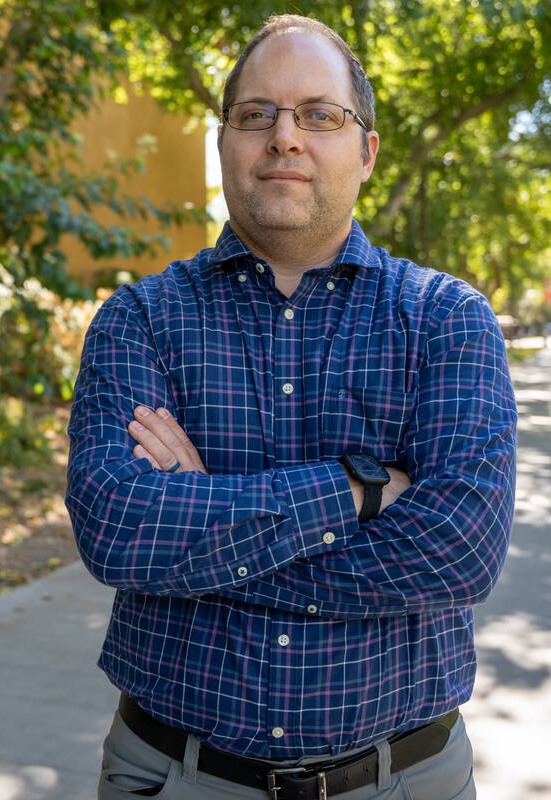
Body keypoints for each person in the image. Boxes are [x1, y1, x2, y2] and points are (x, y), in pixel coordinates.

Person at [66, 14, 516, 800]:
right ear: (224, 143)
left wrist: (203, 538)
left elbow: (461, 548)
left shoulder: (446, 318)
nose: (285, 137)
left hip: (404, 779)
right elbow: (116, 528)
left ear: (366, 150)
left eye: (319, 114)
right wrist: (360, 490)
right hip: (172, 775)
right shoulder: (138, 319)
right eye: (255, 114)